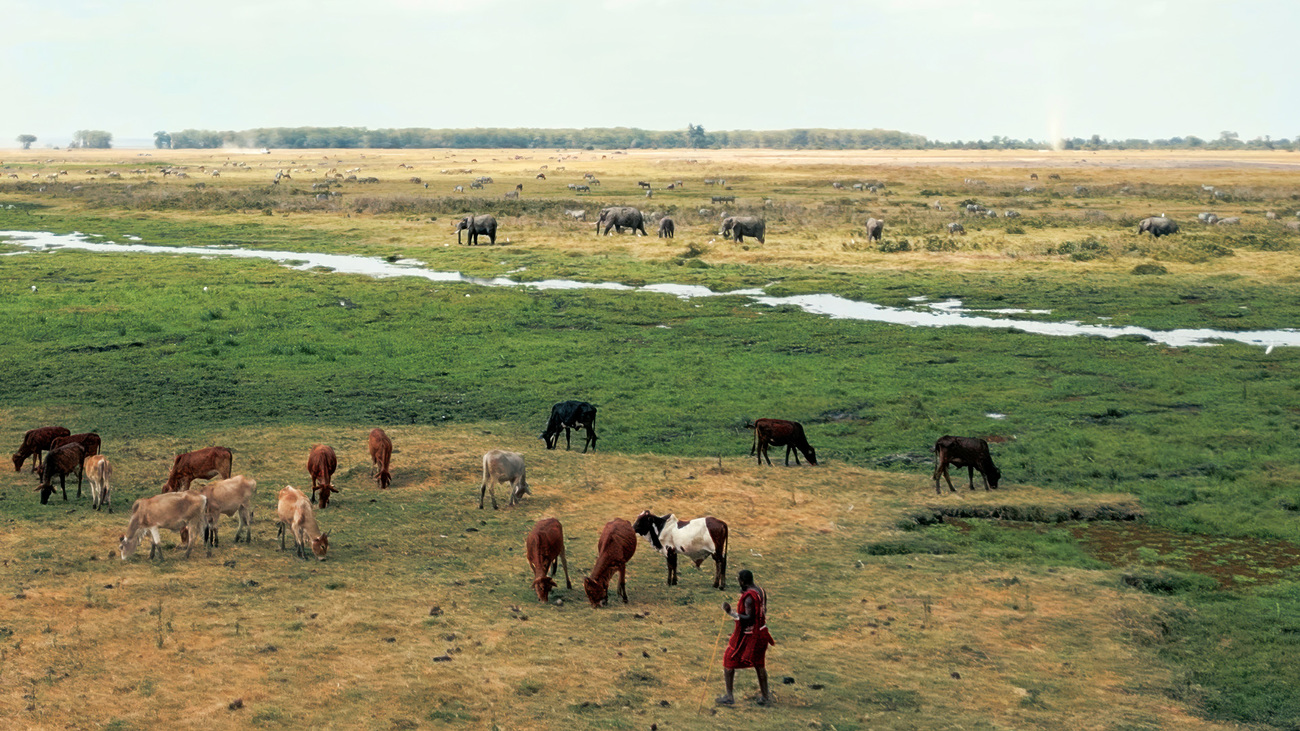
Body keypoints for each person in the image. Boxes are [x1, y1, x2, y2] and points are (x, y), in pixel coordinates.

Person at [717, 569, 775, 706]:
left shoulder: (749, 598)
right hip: (762, 632)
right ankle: (765, 696)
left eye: (739, 581)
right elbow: (762, 611)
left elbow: (749, 618)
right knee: (759, 664)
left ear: (742, 581)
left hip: (750, 636)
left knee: (729, 659)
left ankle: (729, 696)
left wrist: (730, 612)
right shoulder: (760, 591)